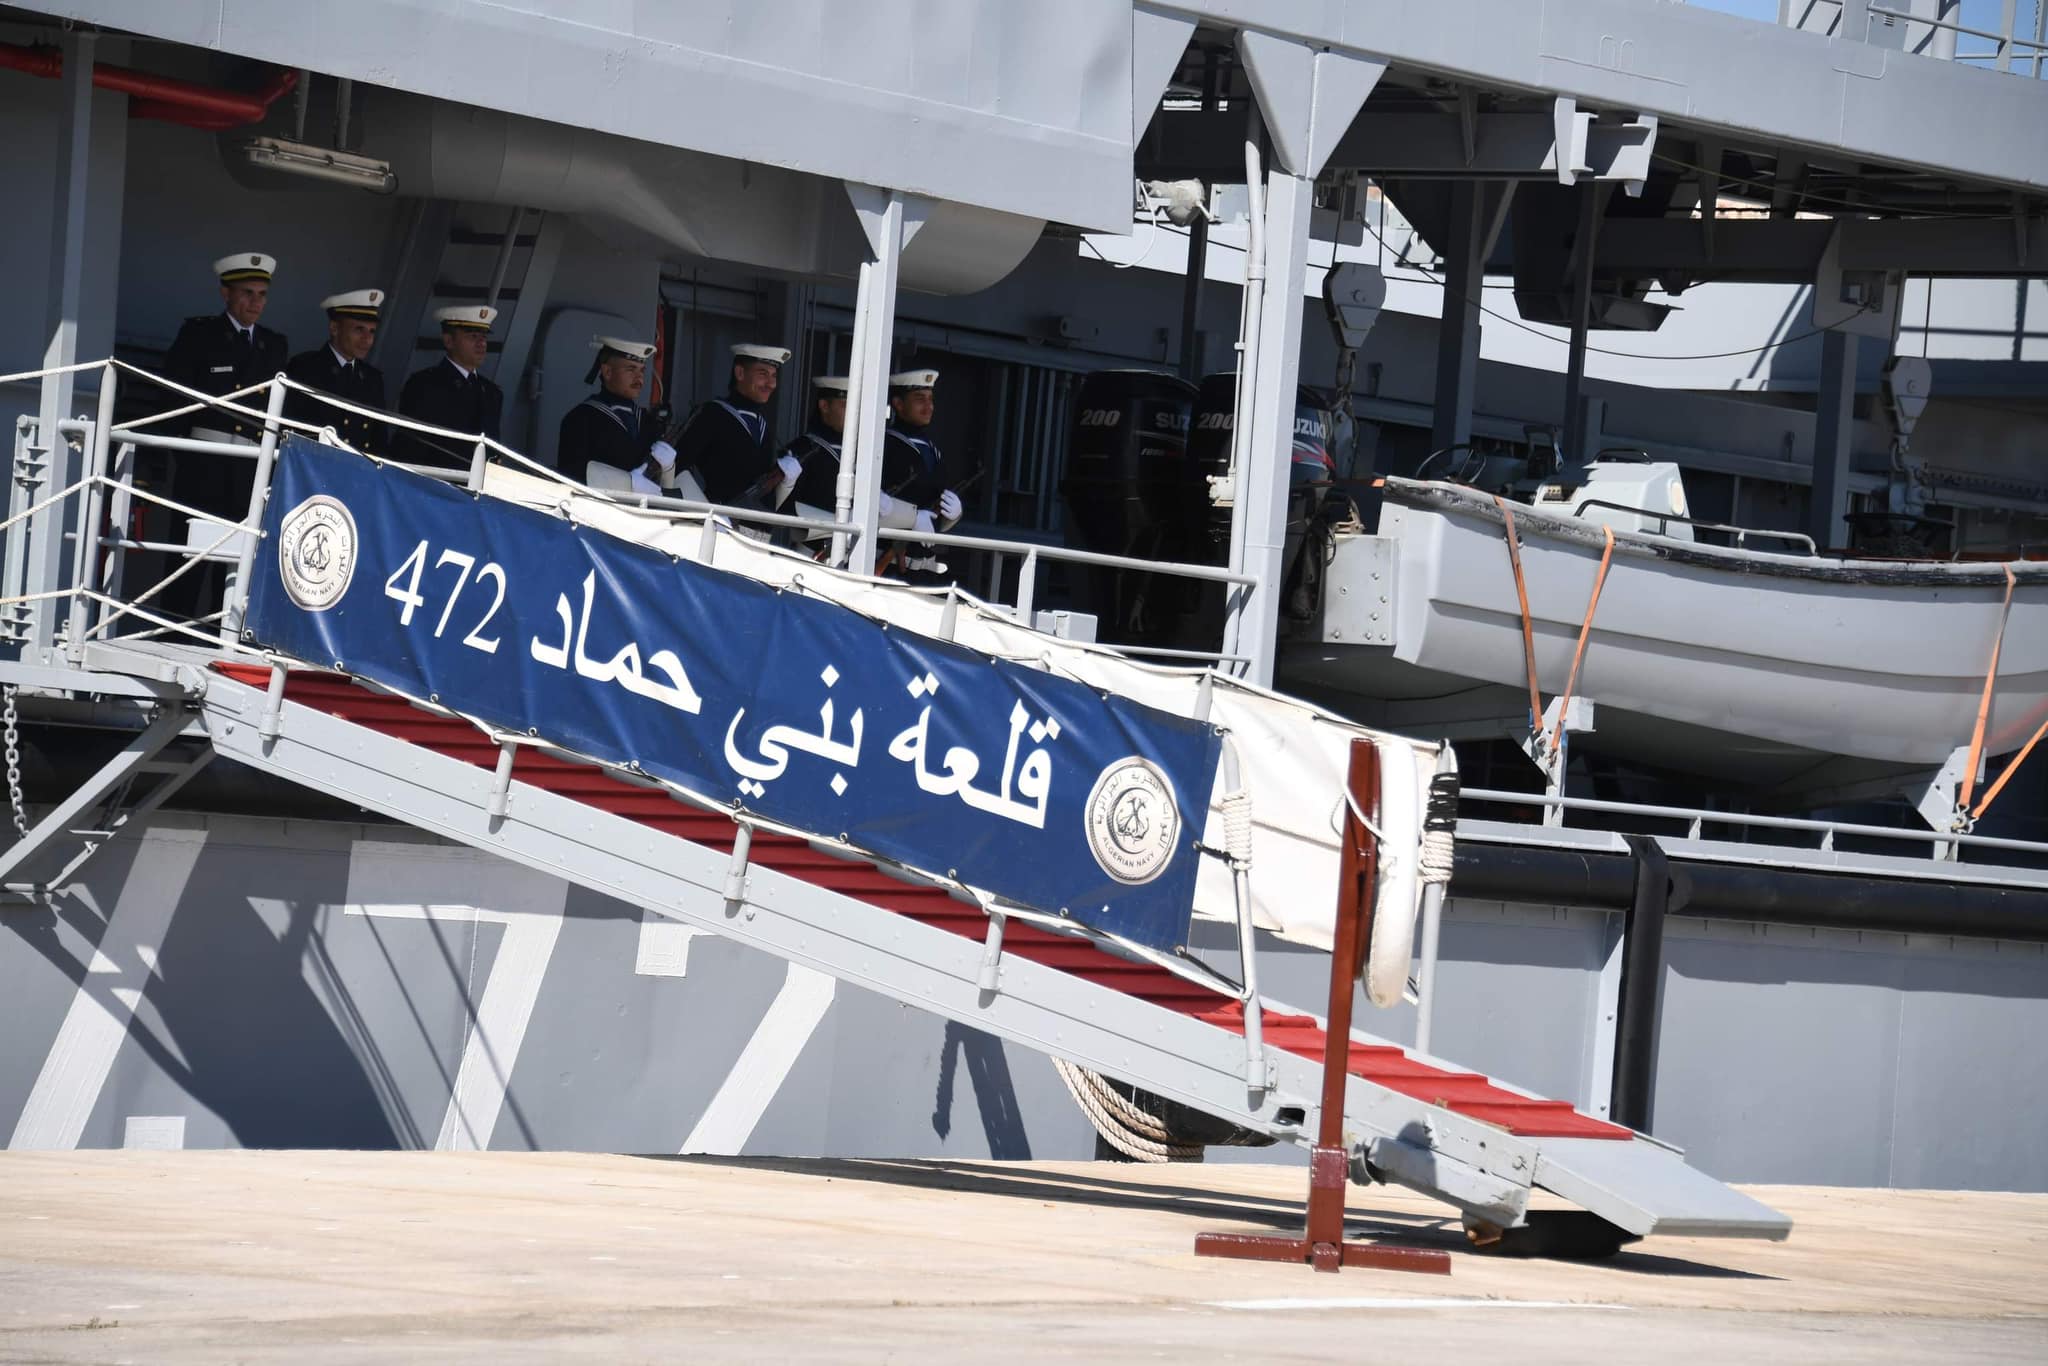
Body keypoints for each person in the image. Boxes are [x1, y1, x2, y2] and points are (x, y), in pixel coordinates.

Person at [161, 251, 289, 517]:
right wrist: (183, 457)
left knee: (235, 554)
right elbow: (174, 398)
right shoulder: (200, 334)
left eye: (262, 294)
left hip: (251, 470)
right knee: (187, 552)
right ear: (225, 293)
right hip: (203, 466)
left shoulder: (274, 345)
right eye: (248, 293)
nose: (256, 302)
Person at [673, 343, 791, 508]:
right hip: (713, 526)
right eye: (763, 374)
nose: (770, 383)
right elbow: (676, 469)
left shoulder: (761, 423)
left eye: (774, 376)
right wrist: (702, 509)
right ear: (740, 373)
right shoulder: (713, 413)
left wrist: (786, 481)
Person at [557, 336, 672, 493]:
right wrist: (628, 483)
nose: (639, 378)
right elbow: (572, 480)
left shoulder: (647, 422)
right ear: (607, 372)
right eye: (631, 369)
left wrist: (668, 468)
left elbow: (662, 491)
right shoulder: (581, 419)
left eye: (642, 370)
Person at [284, 289, 390, 455]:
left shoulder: (372, 379)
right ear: (334, 328)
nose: (367, 339)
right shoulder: (305, 368)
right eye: (359, 329)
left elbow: (378, 441)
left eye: (372, 331)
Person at [398, 304, 504, 468]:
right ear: (449, 341)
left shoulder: (492, 392)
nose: (481, 343)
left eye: (484, 337)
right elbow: (411, 448)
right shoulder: (425, 385)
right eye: (473, 336)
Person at [881, 368, 963, 575]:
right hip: (889, 566)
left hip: (926, 568)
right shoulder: (883, 444)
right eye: (920, 399)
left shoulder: (932, 449)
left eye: (930, 399)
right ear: (898, 404)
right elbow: (871, 501)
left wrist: (952, 516)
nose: (928, 407)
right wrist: (913, 518)